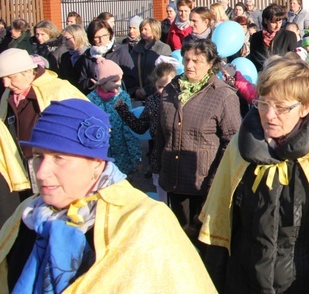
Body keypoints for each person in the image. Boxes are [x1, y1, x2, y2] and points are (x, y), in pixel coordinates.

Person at [199, 55, 309, 292]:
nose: (270, 115)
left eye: (282, 107)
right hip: (243, 282)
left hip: (302, 285)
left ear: (305, 107)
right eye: (263, 103)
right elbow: (220, 226)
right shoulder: (240, 147)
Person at [0, 99, 217, 292]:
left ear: (96, 163)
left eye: (59, 157)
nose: (41, 172)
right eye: (38, 156)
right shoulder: (28, 212)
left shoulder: (144, 221)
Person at [156, 39, 241, 242]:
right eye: (186, 59)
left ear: (211, 63)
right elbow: (161, 132)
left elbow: (232, 141)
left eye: (197, 60)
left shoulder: (223, 96)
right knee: (179, 239)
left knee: (202, 240)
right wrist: (159, 164)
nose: (189, 65)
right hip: (174, 178)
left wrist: (216, 180)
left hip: (203, 183)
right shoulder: (170, 90)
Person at [0, 48, 87, 222]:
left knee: (55, 212)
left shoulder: (58, 89)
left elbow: (88, 124)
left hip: (52, 164)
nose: (6, 84)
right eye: (3, 79)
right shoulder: (8, 95)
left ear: (26, 72)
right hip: (22, 163)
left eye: (11, 77)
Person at [116, 60, 177, 203]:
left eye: (166, 86)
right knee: (162, 199)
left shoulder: (181, 99)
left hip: (177, 156)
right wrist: (123, 110)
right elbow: (141, 127)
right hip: (158, 157)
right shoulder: (152, 100)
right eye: (159, 86)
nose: (162, 90)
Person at [87, 59, 140, 175]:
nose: (119, 83)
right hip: (101, 153)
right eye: (114, 80)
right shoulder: (91, 99)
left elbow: (129, 127)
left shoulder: (122, 98)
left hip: (122, 153)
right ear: (103, 82)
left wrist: (135, 155)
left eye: (120, 80)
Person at [78, 20, 136, 95]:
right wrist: (91, 83)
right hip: (94, 98)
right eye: (97, 37)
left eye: (105, 35)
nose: (101, 40)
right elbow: (81, 81)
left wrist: (111, 83)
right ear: (91, 38)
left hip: (117, 97)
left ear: (110, 34)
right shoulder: (88, 55)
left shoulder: (120, 51)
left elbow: (132, 79)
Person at [248, 4, 299, 71]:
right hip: (262, 76)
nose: (277, 26)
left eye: (280, 22)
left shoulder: (289, 36)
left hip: (282, 75)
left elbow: (294, 59)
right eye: (274, 22)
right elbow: (254, 59)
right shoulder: (256, 37)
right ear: (265, 21)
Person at [131, 17, 171, 100]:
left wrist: (147, 90)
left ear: (154, 30)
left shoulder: (163, 48)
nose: (142, 32)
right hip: (137, 94)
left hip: (156, 94)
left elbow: (164, 74)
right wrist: (135, 90)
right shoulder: (136, 49)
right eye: (141, 29)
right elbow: (130, 70)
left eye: (146, 29)